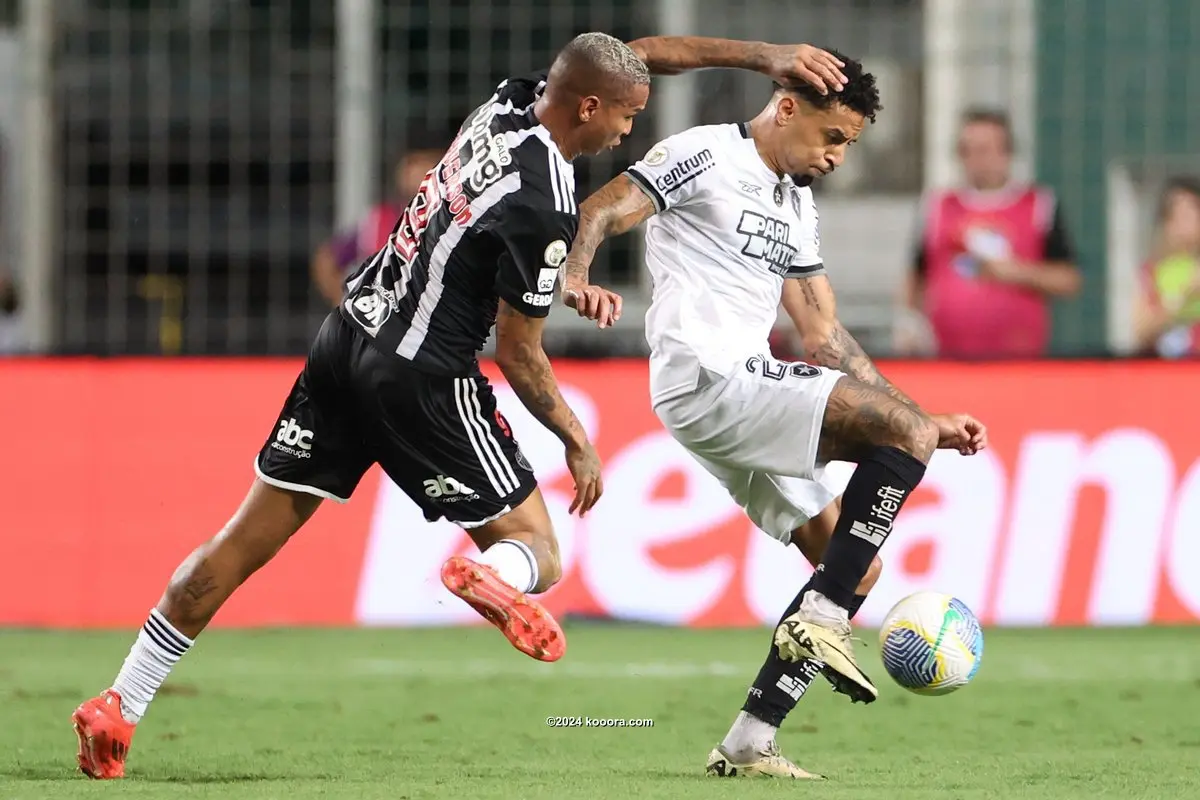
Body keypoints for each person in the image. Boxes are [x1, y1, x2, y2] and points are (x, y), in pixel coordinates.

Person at [70, 32, 852, 780]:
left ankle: (119, 703)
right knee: (541, 550)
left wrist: (766, 58)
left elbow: (631, 57)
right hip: (423, 376)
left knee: (240, 543)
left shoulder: (506, 105)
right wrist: (576, 437)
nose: (628, 130)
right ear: (587, 108)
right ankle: (492, 573)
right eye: (626, 116)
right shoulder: (547, 202)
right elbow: (519, 353)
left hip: (347, 335)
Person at [560, 52, 987, 779]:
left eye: (848, 144)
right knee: (873, 506)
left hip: (737, 387)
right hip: (708, 371)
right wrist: (574, 273)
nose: (836, 156)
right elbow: (604, 208)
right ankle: (821, 623)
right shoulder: (703, 153)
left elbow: (824, 337)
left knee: (854, 568)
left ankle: (749, 741)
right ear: (788, 108)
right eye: (832, 136)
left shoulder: (796, 205)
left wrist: (917, 417)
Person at [895, 108, 1081, 358]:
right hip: (947, 358)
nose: (975, 159)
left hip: (1019, 358)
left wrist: (1015, 272)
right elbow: (916, 274)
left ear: (1006, 153)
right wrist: (909, 322)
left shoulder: (1038, 206)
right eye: (966, 150)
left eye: (983, 149)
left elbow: (1068, 279)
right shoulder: (938, 207)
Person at [310, 139, 447, 308]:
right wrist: (346, 305)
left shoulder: (454, 221)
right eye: (410, 165)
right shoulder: (380, 220)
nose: (413, 172)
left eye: (423, 163)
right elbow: (327, 259)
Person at [1132, 177, 1200, 357]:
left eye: (1193, 212)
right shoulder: (1153, 271)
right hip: (1168, 368)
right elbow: (1141, 331)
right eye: (1178, 214)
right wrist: (1182, 296)